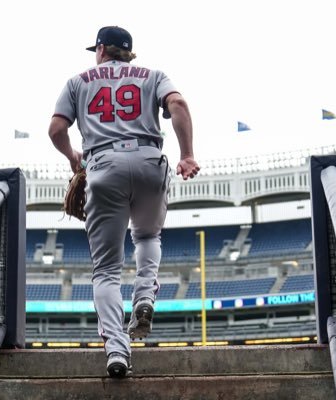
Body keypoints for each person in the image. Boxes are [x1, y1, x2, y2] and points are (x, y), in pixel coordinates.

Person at [48, 25, 200, 378]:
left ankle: (117, 350)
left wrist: (73, 157)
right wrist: (188, 154)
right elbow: (177, 103)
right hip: (150, 159)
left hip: (103, 166)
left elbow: (56, 129)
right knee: (147, 238)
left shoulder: (78, 81)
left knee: (106, 271)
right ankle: (144, 297)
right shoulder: (153, 74)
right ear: (127, 51)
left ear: (101, 49)